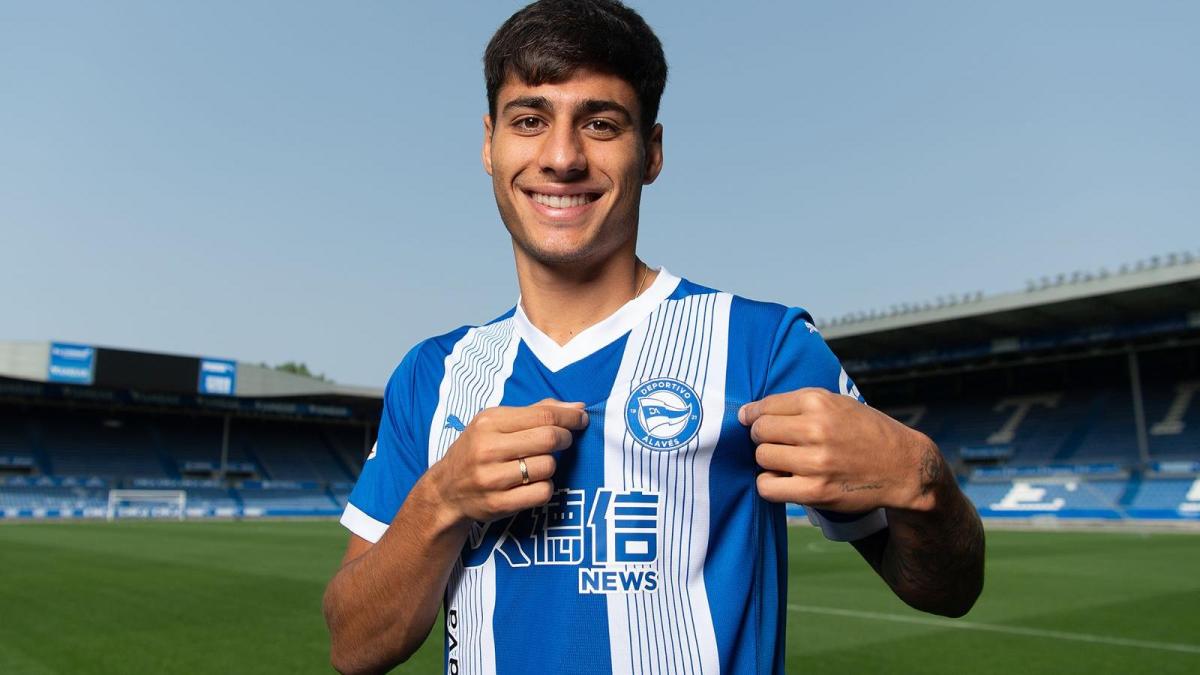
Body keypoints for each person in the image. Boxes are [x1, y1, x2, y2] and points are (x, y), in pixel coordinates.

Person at [322, 1, 985, 673]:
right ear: (490, 144)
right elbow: (354, 647)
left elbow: (947, 590)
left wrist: (923, 480)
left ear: (653, 152)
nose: (561, 158)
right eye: (530, 121)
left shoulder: (762, 347)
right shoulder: (432, 374)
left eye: (601, 124)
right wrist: (443, 500)